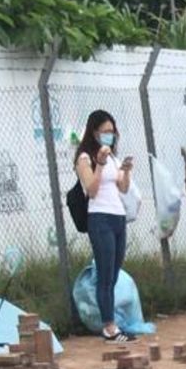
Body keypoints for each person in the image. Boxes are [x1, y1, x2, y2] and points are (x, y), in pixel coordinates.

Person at [74, 111, 132, 340]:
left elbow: (124, 187)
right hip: (99, 218)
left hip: (118, 216)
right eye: (105, 131)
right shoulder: (84, 158)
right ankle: (108, 326)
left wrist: (126, 170)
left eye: (112, 131)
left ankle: (112, 322)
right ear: (94, 132)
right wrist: (99, 163)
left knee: (114, 273)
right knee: (105, 273)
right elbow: (92, 189)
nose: (110, 135)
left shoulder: (113, 158)